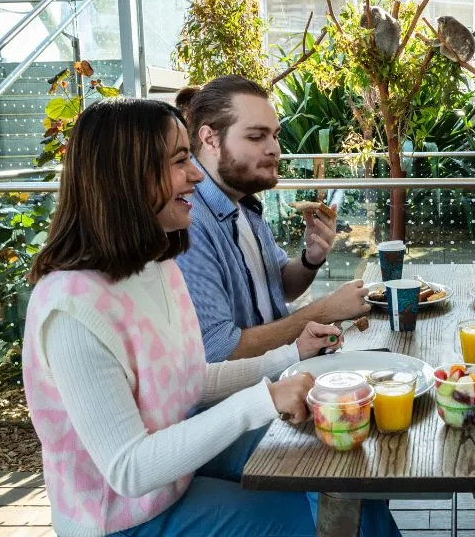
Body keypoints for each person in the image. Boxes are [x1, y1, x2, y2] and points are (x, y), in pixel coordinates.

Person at [22, 98, 401, 537]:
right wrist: (263, 400)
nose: (197, 174)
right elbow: (129, 470)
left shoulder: (157, 263)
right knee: (324, 522)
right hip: (123, 517)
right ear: (127, 175)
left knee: (345, 471)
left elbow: (185, 380)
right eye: (180, 160)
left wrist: (288, 359)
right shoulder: (71, 308)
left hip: (178, 474)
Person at [173, 75, 371, 363]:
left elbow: (283, 287)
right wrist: (324, 311)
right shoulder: (189, 221)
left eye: (275, 135)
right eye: (256, 136)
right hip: (252, 401)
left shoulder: (244, 202)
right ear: (210, 139)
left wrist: (311, 258)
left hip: (284, 379)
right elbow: (218, 350)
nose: (275, 149)